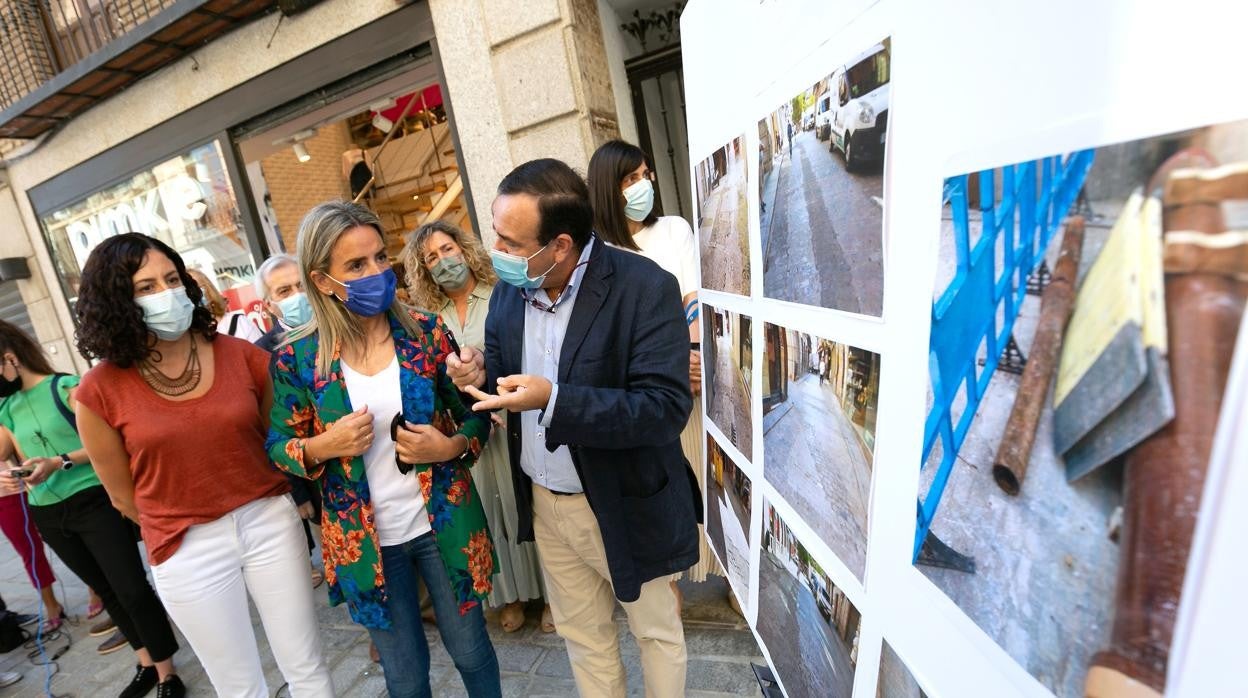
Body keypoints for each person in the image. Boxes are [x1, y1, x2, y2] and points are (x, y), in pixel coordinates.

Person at [448, 159, 700, 697]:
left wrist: (556, 400)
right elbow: (497, 369)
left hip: (621, 497)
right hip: (545, 501)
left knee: (655, 632)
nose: (498, 252)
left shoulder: (643, 287)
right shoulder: (510, 293)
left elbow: (663, 406)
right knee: (583, 638)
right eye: (496, 234)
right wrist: (474, 370)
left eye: (511, 243)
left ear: (560, 245)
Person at [73, 233, 333, 698]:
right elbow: (121, 495)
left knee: (307, 665)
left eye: (172, 279)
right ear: (115, 299)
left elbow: (279, 440)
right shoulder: (97, 391)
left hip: (269, 521)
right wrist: (182, 515)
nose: (166, 293)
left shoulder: (243, 356)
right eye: (145, 286)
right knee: (237, 685)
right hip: (184, 546)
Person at [266, 201, 501, 698]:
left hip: (443, 527)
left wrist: (451, 445)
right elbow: (277, 447)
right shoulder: (298, 360)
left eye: (379, 258)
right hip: (363, 545)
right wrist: (324, 445)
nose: (377, 272)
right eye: (356, 265)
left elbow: (475, 416)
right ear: (323, 280)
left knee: (473, 653)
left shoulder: (424, 333)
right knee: (405, 677)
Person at [0, 319, 183, 695]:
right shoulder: (6, 408)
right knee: (105, 589)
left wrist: (58, 461)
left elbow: (111, 442)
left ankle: (168, 673)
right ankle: (145, 662)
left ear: (10, 359)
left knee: (131, 588)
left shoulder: (65, 387)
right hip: (48, 513)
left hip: (94, 501)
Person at [588, 140, 720, 614]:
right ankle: (671, 576)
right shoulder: (596, 251)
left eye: (646, 174)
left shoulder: (673, 230)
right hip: (641, 388)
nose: (644, 185)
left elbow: (691, 297)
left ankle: (727, 571)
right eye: (630, 178)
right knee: (662, 483)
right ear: (609, 188)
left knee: (705, 475)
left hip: (687, 377)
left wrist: (694, 352)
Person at [401, 220, 553, 635]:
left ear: (465, 250)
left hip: (517, 417)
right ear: (423, 269)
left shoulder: (505, 294)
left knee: (529, 505)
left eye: (447, 249)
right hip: (468, 429)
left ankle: (552, 595)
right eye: (431, 257)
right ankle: (513, 596)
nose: (443, 261)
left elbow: (529, 350)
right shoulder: (427, 319)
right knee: (491, 509)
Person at [252, 254, 324, 589]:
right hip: (313, 471)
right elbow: (272, 428)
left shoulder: (338, 325)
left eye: (300, 285)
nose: (296, 295)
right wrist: (297, 492)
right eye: (284, 291)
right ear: (269, 305)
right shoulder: (261, 355)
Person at [187, 268, 264, 342]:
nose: (194, 294)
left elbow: (261, 352)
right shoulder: (189, 339)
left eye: (197, 287)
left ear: (209, 289)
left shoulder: (240, 323)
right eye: (188, 291)